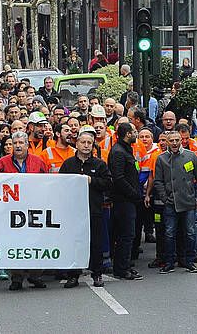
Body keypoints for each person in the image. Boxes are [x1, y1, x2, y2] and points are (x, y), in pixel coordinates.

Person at [0, 132, 49, 290]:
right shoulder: (3, 162)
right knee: (15, 242)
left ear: (27, 145)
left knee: (36, 241)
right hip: (11, 210)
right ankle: (16, 277)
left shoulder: (38, 162)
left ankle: (35, 275)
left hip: (34, 208)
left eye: (21, 143)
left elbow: (48, 183)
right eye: (15, 143)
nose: (18, 146)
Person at [60, 126, 112, 288]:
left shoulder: (100, 164)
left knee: (95, 243)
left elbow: (108, 183)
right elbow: (61, 185)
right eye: (83, 142)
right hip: (73, 211)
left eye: (90, 142)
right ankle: (73, 275)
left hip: (94, 209)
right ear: (77, 143)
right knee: (74, 242)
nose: (86, 145)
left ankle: (97, 274)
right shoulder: (68, 164)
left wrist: (92, 181)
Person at [153, 130, 197, 274]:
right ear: (167, 142)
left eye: (177, 140)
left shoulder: (191, 156)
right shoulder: (161, 158)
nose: (175, 143)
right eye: (172, 141)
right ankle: (169, 262)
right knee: (169, 233)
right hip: (170, 203)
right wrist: (165, 198)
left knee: (190, 232)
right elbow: (158, 181)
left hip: (188, 202)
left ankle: (189, 261)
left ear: (181, 140)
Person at [108, 122, 143, 280]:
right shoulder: (118, 152)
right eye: (134, 131)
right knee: (125, 235)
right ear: (128, 134)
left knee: (128, 235)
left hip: (129, 200)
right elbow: (118, 178)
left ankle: (125, 265)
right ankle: (122, 269)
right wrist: (134, 193)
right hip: (123, 201)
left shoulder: (126, 150)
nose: (136, 134)